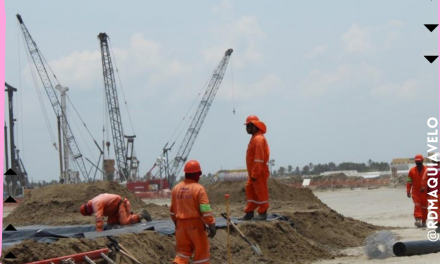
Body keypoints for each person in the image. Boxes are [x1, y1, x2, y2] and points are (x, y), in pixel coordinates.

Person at [170, 160, 216, 264]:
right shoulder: (199, 189)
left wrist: (177, 224)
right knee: (202, 254)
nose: (199, 177)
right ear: (197, 174)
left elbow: (172, 211)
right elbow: (205, 210)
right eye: (199, 174)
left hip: (180, 226)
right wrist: (211, 223)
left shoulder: (176, 189)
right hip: (196, 226)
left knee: (182, 254)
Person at [239, 115, 270, 221]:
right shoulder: (255, 138)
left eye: (248, 126)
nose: (246, 129)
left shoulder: (258, 139)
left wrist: (255, 174)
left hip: (258, 172)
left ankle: (263, 212)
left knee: (261, 192)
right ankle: (249, 212)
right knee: (250, 190)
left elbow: (259, 159)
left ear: (254, 126)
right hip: (253, 172)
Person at [80, 193, 152, 232]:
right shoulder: (94, 202)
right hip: (114, 210)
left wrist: (99, 232)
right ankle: (128, 217)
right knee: (111, 223)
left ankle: (141, 214)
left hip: (120, 204)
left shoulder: (95, 203)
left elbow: (99, 218)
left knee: (124, 222)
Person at [407, 154, 428, 228]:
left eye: (419, 161)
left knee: (424, 207)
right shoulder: (412, 171)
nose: (418, 163)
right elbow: (409, 182)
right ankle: (418, 219)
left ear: (422, 161)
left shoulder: (427, 170)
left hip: (425, 192)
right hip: (415, 192)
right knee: (417, 205)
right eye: (417, 161)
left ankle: (424, 221)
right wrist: (408, 191)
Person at [421, 152, 440, 231]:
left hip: (433, 193)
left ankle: (438, 224)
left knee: (435, 209)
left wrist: (423, 188)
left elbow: (424, 181)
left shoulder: (429, 170)